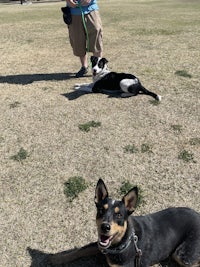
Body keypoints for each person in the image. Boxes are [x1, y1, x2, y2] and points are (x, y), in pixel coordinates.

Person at [66, 0, 103, 77]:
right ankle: (84, 67)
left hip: (91, 10)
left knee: (96, 38)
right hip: (73, 13)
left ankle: (98, 67)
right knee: (77, 40)